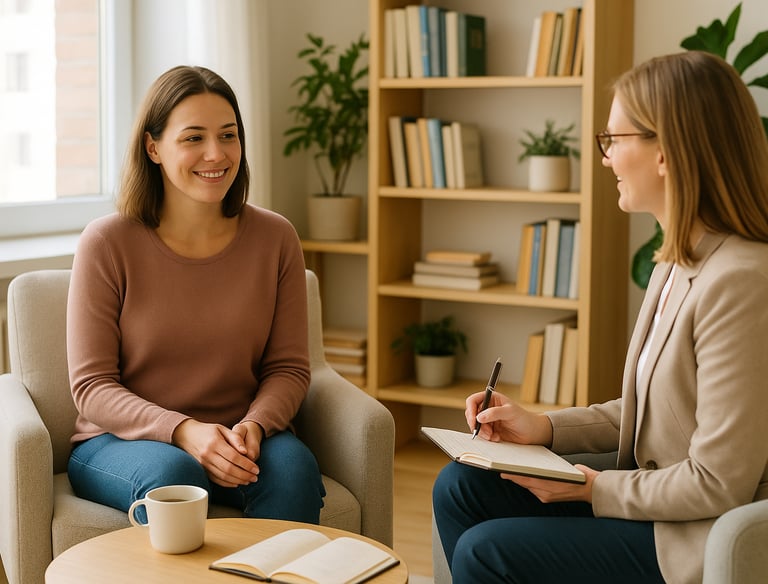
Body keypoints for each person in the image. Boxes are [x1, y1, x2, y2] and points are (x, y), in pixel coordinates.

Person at [433, 50, 768, 584]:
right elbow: (652, 413)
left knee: (485, 553)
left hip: (694, 532)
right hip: (655, 489)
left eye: (614, 140)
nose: (606, 158)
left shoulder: (741, 282)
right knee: (461, 485)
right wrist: (541, 428)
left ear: (666, 151)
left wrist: (590, 488)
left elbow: (718, 482)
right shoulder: (678, 260)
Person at [66, 65, 325, 523]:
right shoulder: (107, 242)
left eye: (228, 135)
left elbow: (288, 367)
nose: (216, 153)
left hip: (243, 432)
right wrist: (183, 431)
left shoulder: (276, 237)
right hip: (121, 441)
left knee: (295, 470)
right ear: (153, 147)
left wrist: (254, 426)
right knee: (174, 476)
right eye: (193, 138)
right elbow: (92, 388)